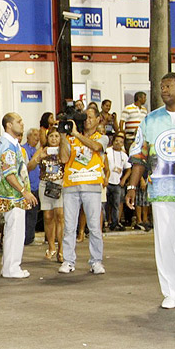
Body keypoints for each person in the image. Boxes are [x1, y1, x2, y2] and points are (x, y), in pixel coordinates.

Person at [126, 72, 175, 309]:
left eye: (168, 86)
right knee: (164, 241)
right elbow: (139, 157)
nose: (163, 90)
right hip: (162, 190)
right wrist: (132, 186)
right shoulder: (151, 120)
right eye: (162, 86)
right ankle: (170, 291)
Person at [58, 107, 108, 274]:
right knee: (69, 227)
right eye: (84, 117)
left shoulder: (102, 137)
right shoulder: (72, 138)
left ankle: (96, 261)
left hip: (92, 186)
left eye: (90, 117)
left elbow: (95, 146)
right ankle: (68, 261)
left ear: (98, 119)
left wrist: (77, 135)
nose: (87, 120)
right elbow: (64, 158)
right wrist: (64, 137)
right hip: (71, 186)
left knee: (94, 227)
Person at [0, 112, 37, 278]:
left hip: (14, 195)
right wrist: (23, 191)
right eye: (19, 121)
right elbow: (9, 173)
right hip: (12, 195)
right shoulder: (7, 145)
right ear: (9, 125)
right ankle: (11, 268)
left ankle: (11, 266)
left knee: (15, 231)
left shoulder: (12, 144)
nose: (22, 123)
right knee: (15, 231)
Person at [33, 127, 67, 262]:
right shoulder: (42, 150)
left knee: (60, 215)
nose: (54, 139)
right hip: (45, 184)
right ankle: (51, 246)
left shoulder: (64, 150)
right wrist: (40, 157)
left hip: (60, 183)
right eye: (51, 136)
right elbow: (31, 164)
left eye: (57, 136)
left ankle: (61, 249)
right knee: (47, 216)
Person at [105, 132, 131, 231]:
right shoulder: (107, 151)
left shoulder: (124, 155)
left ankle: (115, 223)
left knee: (117, 204)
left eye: (121, 142)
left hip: (117, 183)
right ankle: (104, 222)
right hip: (107, 181)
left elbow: (129, 169)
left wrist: (123, 179)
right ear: (113, 141)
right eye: (116, 141)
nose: (118, 143)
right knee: (104, 204)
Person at [22, 128, 41, 245]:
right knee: (27, 215)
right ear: (28, 137)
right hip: (28, 187)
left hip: (37, 185)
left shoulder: (37, 150)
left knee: (34, 214)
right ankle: (26, 238)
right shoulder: (24, 150)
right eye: (34, 135)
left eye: (38, 135)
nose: (37, 137)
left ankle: (30, 237)